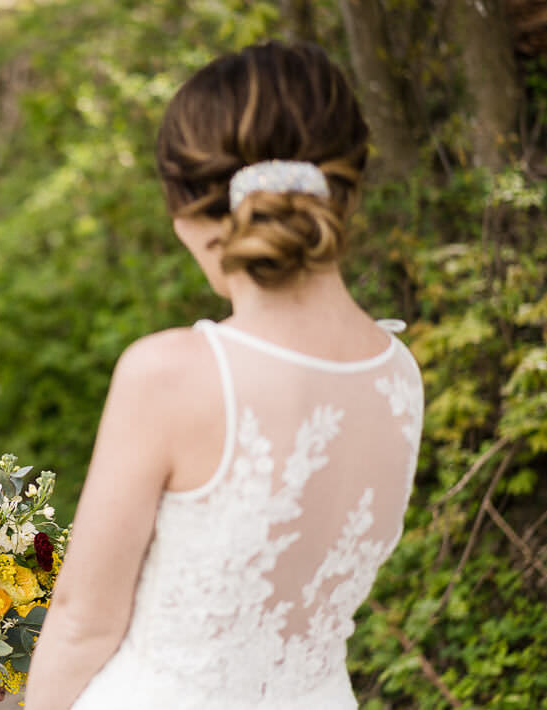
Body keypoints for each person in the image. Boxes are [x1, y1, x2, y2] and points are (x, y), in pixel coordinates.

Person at [24, 42, 424, 709]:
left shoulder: (173, 373)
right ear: (345, 185)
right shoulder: (398, 375)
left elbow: (83, 621)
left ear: (187, 206)